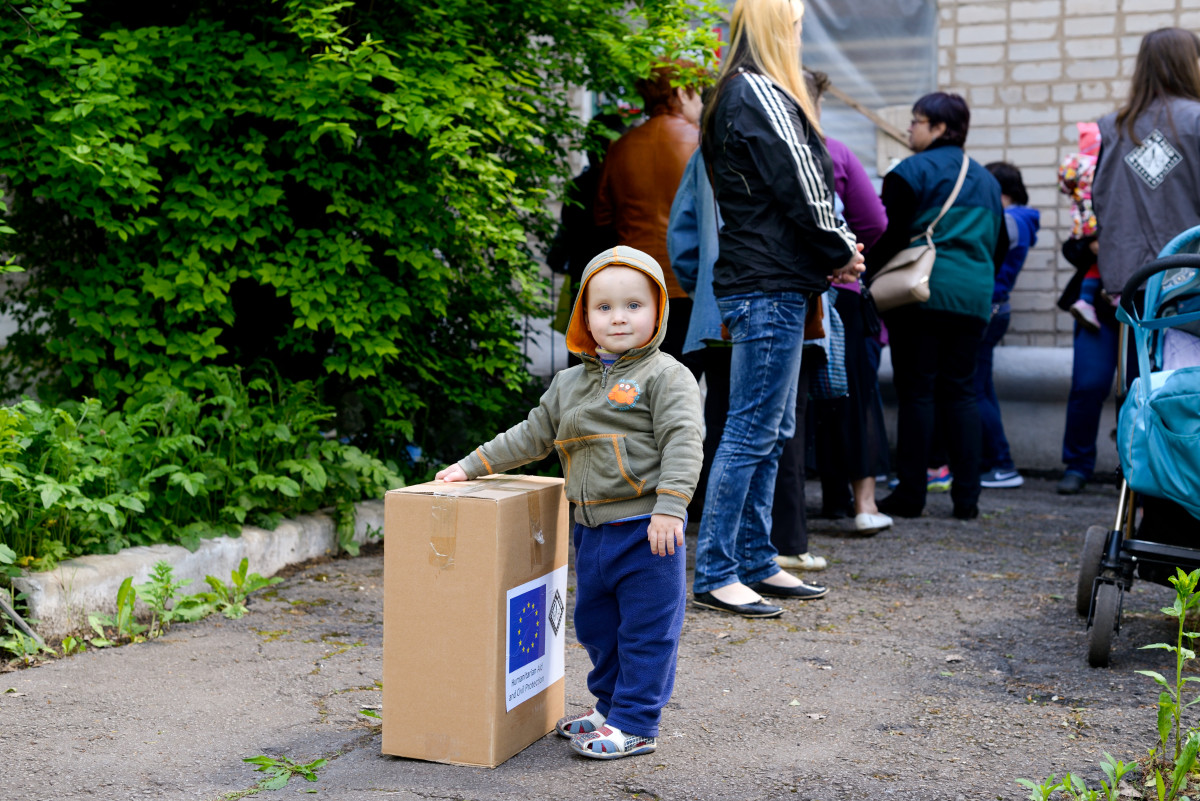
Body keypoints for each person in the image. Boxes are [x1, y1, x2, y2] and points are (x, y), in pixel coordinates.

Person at [436, 246, 703, 760]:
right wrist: (473, 465)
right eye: (603, 307)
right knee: (598, 628)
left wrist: (671, 507)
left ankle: (637, 722)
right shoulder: (569, 384)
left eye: (633, 305)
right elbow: (532, 435)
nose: (618, 317)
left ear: (659, 311)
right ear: (584, 315)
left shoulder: (666, 376)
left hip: (648, 528)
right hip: (592, 532)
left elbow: (685, 443)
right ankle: (608, 707)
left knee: (647, 631)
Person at [693, 0, 863, 619]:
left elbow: (790, 187)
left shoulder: (735, 93)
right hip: (768, 284)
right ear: (775, 29)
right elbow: (804, 185)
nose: (799, 36)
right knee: (750, 431)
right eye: (794, 27)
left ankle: (756, 560)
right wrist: (841, 249)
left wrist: (832, 252)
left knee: (768, 431)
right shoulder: (758, 92)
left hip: (768, 282)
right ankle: (716, 570)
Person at [1064, 27, 1200, 495]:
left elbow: (1092, 203)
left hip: (1134, 285)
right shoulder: (1199, 121)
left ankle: (1141, 483)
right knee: (1186, 389)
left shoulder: (1110, 128)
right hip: (1190, 284)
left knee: (1140, 385)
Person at [867, 92, 1006, 521]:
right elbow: (998, 246)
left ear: (941, 128)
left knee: (918, 392)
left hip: (921, 294)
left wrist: (864, 272)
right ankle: (968, 498)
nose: (910, 128)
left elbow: (890, 238)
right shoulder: (988, 181)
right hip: (974, 297)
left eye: (917, 121)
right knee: (962, 391)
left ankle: (911, 493)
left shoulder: (908, 172)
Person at [802, 69, 894, 537]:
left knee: (799, 401)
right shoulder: (834, 151)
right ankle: (863, 503)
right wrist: (848, 256)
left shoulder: (761, 150)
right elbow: (874, 221)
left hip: (790, 288)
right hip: (841, 293)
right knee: (854, 397)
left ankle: (799, 509)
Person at [595, 63, 704, 371]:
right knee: (682, 380)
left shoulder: (621, 147)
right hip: (687, 284)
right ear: (682, 93)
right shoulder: (702, 146)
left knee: (639, 383)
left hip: (635, 281)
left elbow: (603, 217)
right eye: (698, 95)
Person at [978, 162, 1039, 490]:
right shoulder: (1023, 219)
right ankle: (995, 462)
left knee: (974, 389)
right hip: (997, 309)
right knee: (980, 387)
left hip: (989, 308)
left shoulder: (1011, 220)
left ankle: (1001, 463)